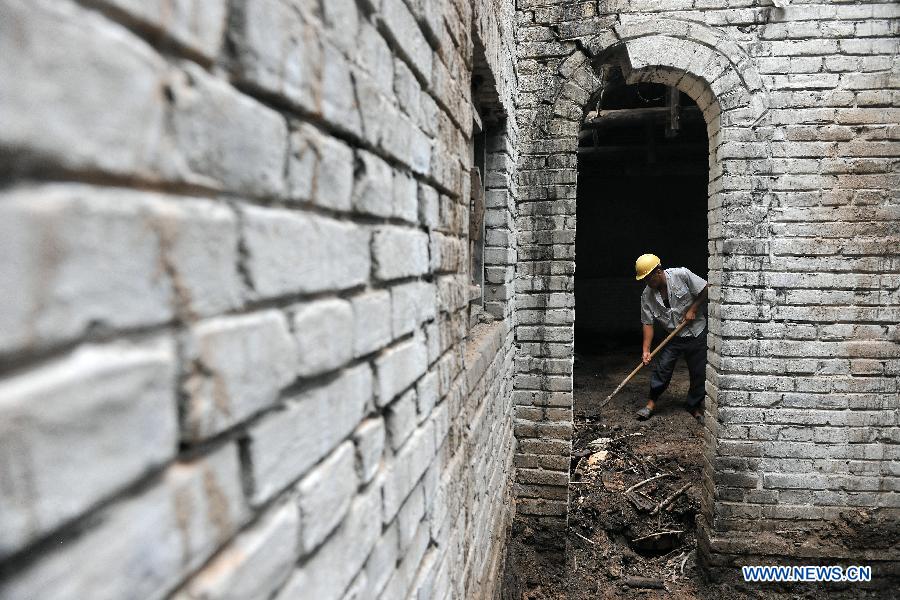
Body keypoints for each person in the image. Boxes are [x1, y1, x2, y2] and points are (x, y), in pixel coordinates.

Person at [633, 253, 708, 422]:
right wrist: (646, 350)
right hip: (673, 336)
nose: (647, 283)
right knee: (662, 369)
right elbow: (647, 323)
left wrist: (694, 308)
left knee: (699, 372)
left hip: (696, 332)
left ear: (659, 271)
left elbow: (706, 288)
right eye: (644, 280)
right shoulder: (647, 295)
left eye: (649, 279)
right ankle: (651, 403)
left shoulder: (682, 275)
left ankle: (694, 406)